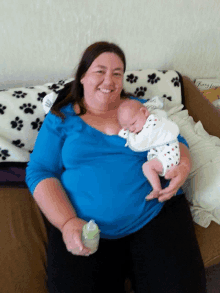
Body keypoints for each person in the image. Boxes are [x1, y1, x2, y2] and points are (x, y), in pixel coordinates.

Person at [26, 41, 207, 293]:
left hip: (154, 214)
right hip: (86, 225)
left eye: (117, 73)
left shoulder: (138, 109)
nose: (108, 81)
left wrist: (184, 165)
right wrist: (67, 222)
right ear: (82, 76)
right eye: (100, 71)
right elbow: (40, 171)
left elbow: (173, 139)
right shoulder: (61, 118)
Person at [117, 98, 180, 201]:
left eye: (133, 124)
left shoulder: (153, 123)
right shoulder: (144, 120)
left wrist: (126, 134)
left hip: (169, 156)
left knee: (147, 167)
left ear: (144, 112)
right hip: (167, 157)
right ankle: (170, 176)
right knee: (151, 167)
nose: (132, 130)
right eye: (127, 128)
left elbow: (139, 142)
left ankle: (157, 189)